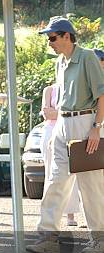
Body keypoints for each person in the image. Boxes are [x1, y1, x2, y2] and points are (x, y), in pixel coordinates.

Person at [26, 17, 104, 253]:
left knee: (90, 185)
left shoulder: (88, 57)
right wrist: (57, 130)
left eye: (52, 38)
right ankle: (48, 237)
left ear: (67, 36)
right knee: (54, 182)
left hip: (85, 122)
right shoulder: (60, 62)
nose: (50, 43)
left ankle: (99, 239)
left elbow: (102, 95)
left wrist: (96, 127)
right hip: (63, 123)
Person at [39, 84, 82, 226]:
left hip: (70, 132)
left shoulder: (74, 87)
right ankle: (48, 216)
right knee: (50, 174)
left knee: (73, 173)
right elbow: (46, 114)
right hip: (50, 132)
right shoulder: (49, 90)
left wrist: (57, 112)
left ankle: (71, 215)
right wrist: (66, 112)